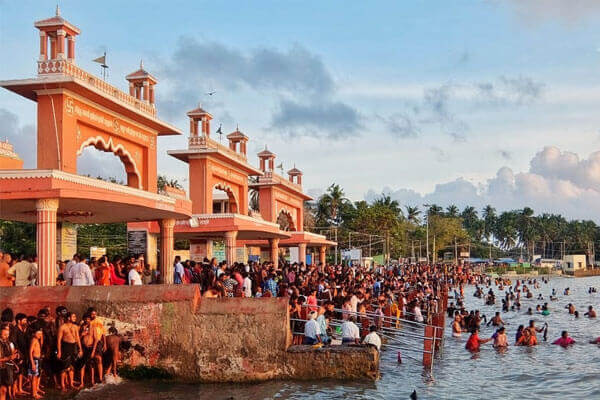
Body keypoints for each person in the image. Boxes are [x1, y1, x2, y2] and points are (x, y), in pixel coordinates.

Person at [56, 313, 82, 390]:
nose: (75, 318)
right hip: (65, 347)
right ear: (68, 318)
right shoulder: (62, 327)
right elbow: (58, 340)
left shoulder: (75, 327)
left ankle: (71, 384)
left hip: (73, 347)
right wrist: (59, 352)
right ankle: (63, 385)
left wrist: (80, 349)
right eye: (73, 316)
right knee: (64, 368)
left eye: (75, 316)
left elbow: (78, 339)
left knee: (72, 367)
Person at [0, 324, 17, 400]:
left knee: (4, 390)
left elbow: (10, 357)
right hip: (1, 369)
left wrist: (15, 364)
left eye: (7, 334)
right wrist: (8, 358)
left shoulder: (7, 343)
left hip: (5, 369)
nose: (6, 336)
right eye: (4, 335)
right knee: (2, 390)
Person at [29, 327, 44, 399]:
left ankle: (35, 392)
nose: (40, 335)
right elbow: (30, 352)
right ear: (34, 333)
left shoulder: (37, 340)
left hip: (37, 360)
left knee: (35, 377)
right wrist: (32, 363)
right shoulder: (34, 340)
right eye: (38, 334)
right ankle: (34, 394)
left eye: (41, 334)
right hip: (34, 360)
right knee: (34, 378)